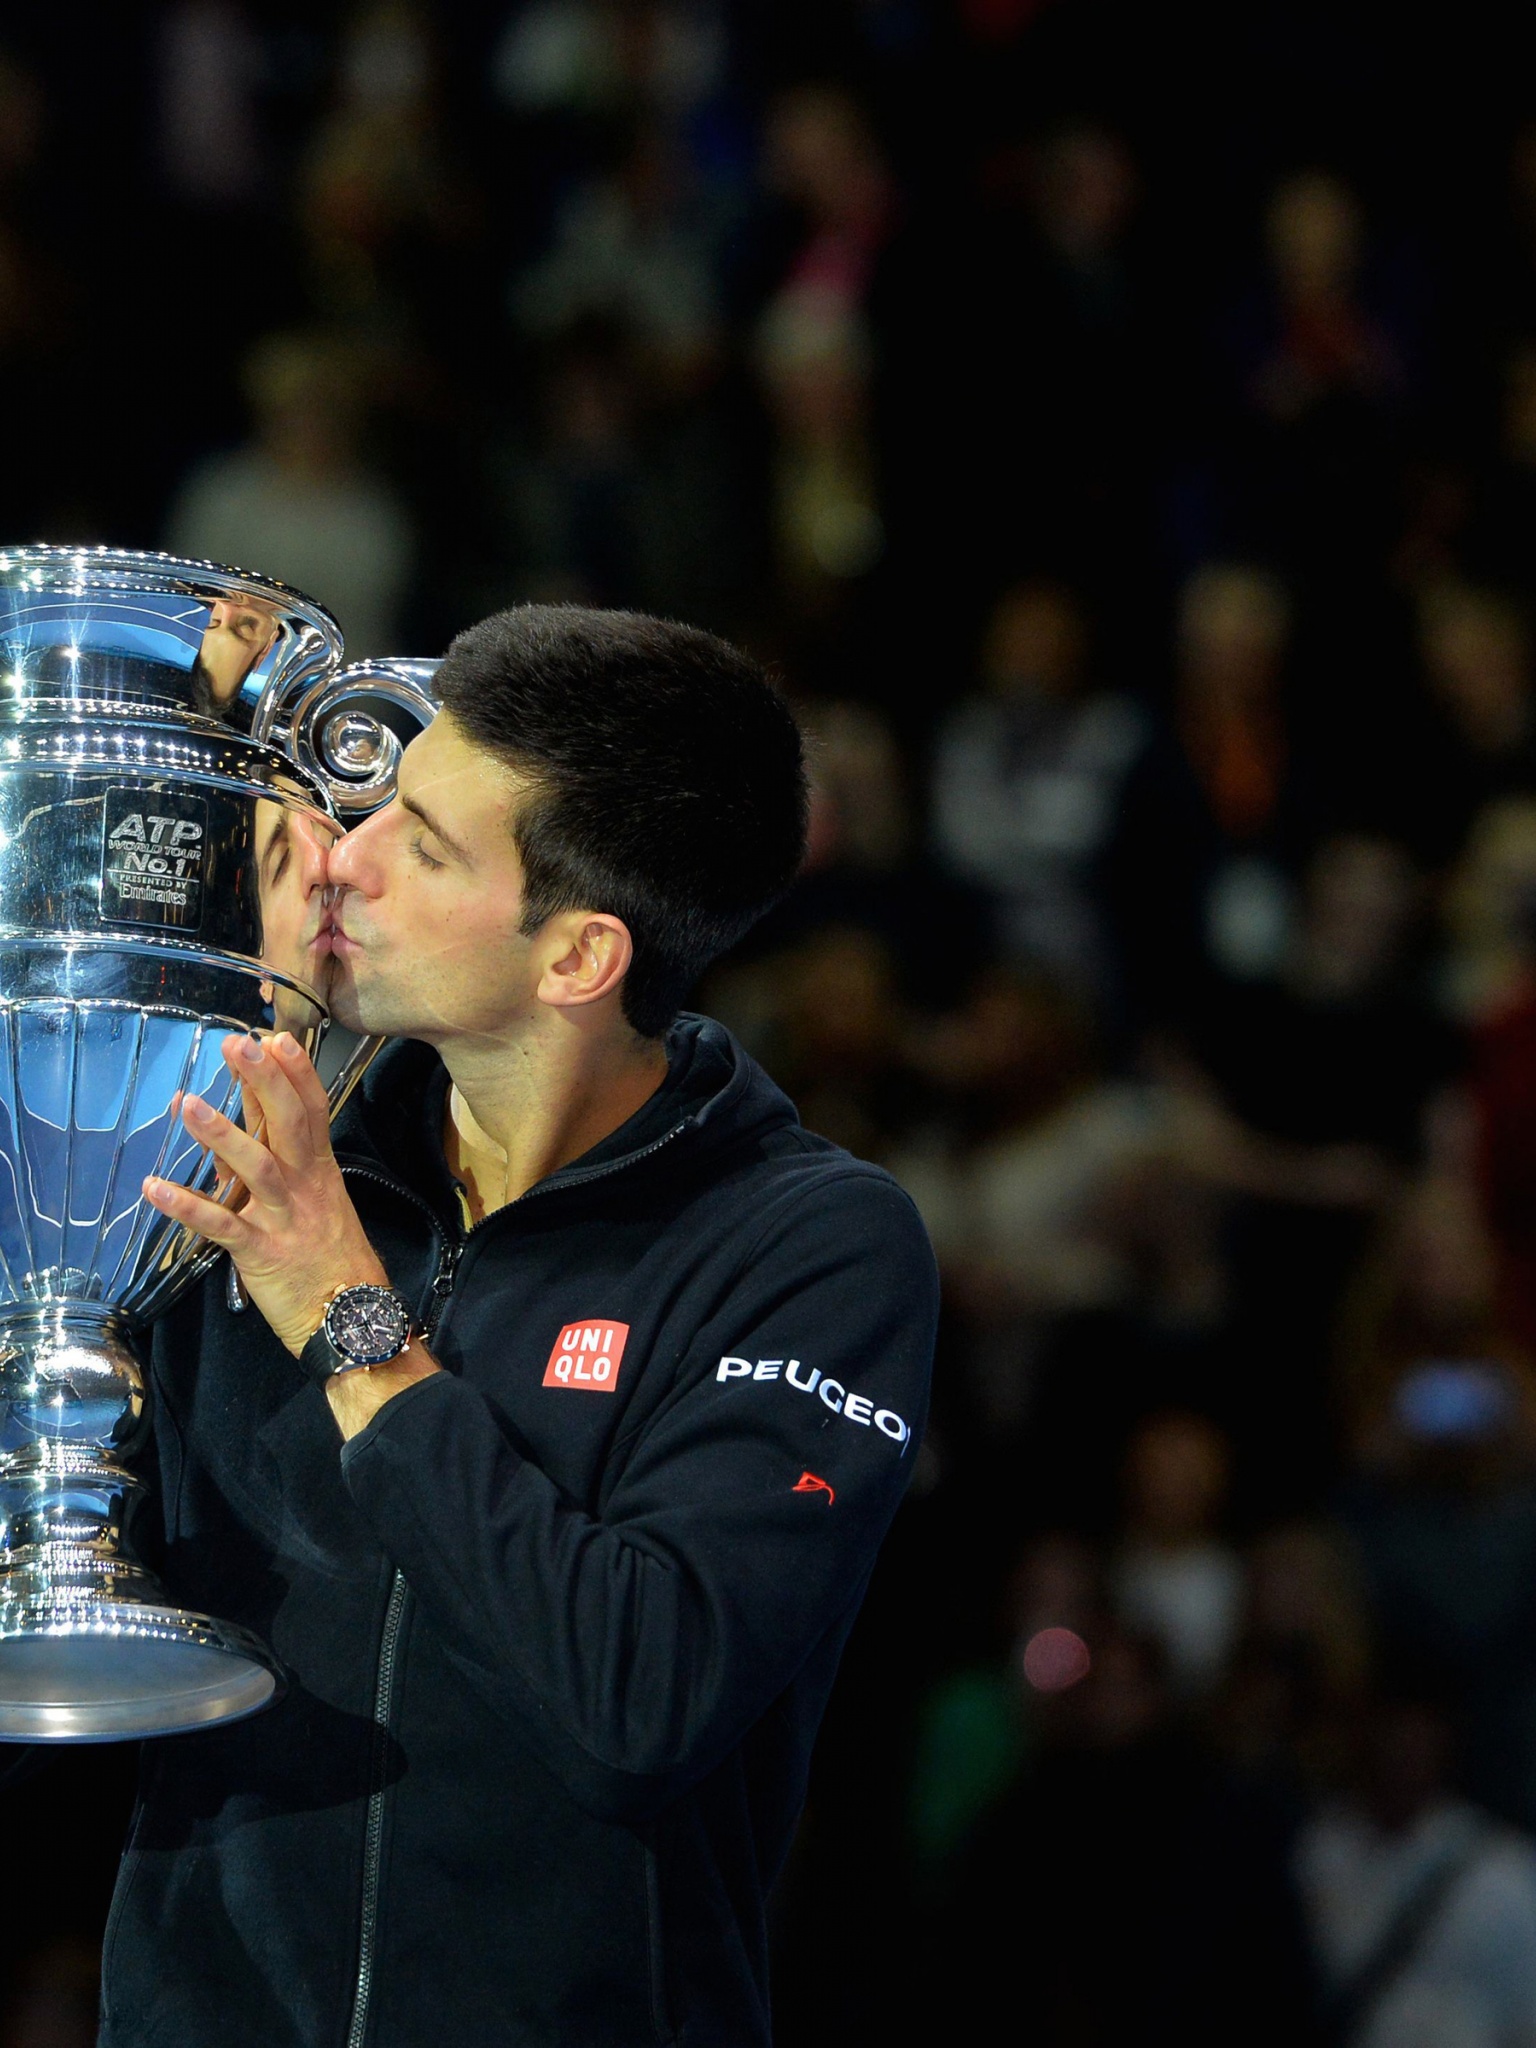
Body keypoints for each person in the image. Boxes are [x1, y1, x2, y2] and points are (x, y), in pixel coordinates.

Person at [101, 606, 937, 2047]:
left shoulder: (811, 1247)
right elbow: (79, 1627)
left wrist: (348, 1318)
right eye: (382, 805)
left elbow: (640, 1701)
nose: (341, 861)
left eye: (420, 845)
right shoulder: (281, 1151)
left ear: (576, 959)